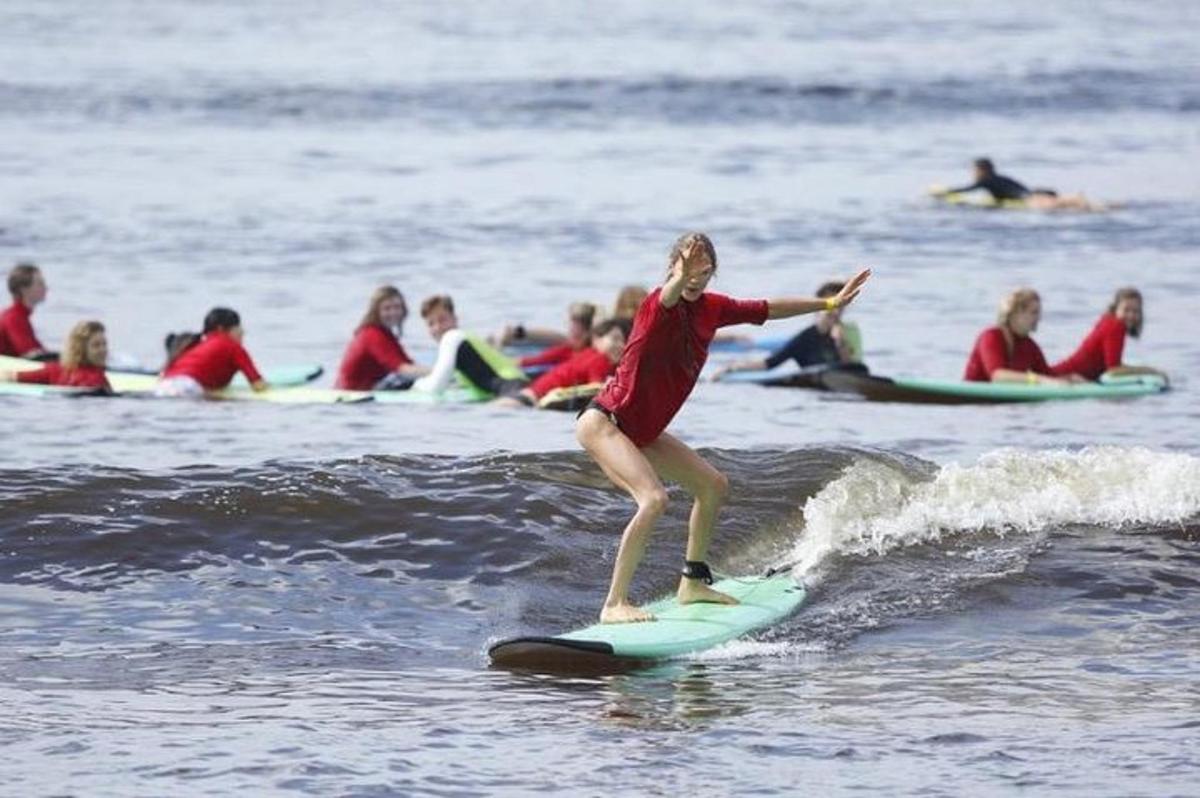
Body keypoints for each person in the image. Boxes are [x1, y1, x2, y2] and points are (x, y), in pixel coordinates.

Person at [575, 232, 871, 623]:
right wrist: (681, 275)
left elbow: (768, 309)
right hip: (606, 421)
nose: (695, 278)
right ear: (672, 269)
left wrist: (830, 302)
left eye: (705, 270)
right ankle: (614, 603)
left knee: (712, 486)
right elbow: (671, 292)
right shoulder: (655, 304)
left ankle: (692, 582)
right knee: (654, 499)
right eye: (686, 269)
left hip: (641, 430)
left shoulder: (713, 308)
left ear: (712, 272)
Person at [711, 280, 862, 379]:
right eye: (831, 309)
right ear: (818, 308)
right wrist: (731, 369)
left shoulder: (845, 333)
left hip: (840, 379)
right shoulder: (805, 338)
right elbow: (770, 363)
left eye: (840, 309)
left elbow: (852, 367)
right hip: (816, 383)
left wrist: (840, 342)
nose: (835, 313)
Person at [495, 319, 630, 408]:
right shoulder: (600, 360)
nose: (620, 345)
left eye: (623, 342)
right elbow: (596, 388)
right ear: (596, 339)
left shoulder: (586, 353)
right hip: (530, 400)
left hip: (526, 394)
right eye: (615, 339)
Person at [413, 295, 529, 397]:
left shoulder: (452, 337)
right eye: (431, 323)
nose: (437, 327)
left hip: (512, 389)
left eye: (442, 319)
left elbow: (435, 387)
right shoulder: (465, 339)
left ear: (455, 319)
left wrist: (416, 385)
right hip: (517, 386)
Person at [963, 288, 1083, 384]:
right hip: (974, 406)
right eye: (1034, 312)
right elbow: (998, 376)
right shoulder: (990, 337)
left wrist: (1070, 379)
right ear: (1016, 313)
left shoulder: (1029, 345)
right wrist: (1039, 380)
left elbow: (1047, 375)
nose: (1039, 318)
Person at [1050, 287, 1164, 381]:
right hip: (1062, 377)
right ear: (1116, 309)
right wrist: (1150, 371)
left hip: (1063, 373)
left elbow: (1111, 366)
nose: (1131, 315)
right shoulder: (1116, 327)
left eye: (1135, 311)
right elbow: (1114, 370)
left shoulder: (1108, 321)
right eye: (1126, 310)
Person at [334, 285, 429, 390]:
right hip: (351, 393)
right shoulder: (372, 335)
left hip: (367, 388)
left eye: (397, 307)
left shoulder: (385, 334)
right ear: (376, 312)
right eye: (387, 308)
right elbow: (402, 369)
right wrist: (440, 373)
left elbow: (408, 364)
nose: (393, 312)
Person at [157, 307, 267, 396]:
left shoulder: (195, 343)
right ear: (220, 328)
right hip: (187, 388)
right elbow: (257, 384)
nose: (243, 331)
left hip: (164, 384)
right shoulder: (233, 347)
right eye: (238, 327)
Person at [934, 158, 1098, 210]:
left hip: (1027, 200)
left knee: (1058, 206)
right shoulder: (1001, 177)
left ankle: (1075, 200)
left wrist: (945, 192)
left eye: (975, 171)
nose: (973, 174)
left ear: (982, 170)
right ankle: (1075, 199)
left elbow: (967, 190)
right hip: (1033, 193)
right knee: (1063, 204)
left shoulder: (986, 181)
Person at [0, 320, 110, 390]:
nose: (103, 349)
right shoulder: (95, 380)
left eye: (104, 344)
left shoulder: (54, 370)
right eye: (96, 345)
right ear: (81, 350)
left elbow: (12, 377)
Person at [493, 302, 598, 370]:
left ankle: (513, 332)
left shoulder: (591, 351)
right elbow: (532, 360)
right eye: (571, 331)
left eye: (577, 335)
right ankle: (513, 332)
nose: (572, 336)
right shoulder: (567, 348)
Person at [0, 263, 50, 358]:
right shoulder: (13, 318)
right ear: (24, 289)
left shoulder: (19, 316)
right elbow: (30, 354)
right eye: (40, 284)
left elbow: (38, 351)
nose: (46, 288)